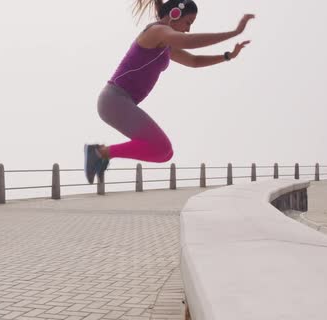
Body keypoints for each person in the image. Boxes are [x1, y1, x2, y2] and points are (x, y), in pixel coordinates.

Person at [84, 0, 255, 184]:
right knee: (161, 147)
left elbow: (194, 61)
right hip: (114, 99)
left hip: (120, 102)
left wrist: (227, 56)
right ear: (174, 14)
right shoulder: (156, 32)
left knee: (164, 153)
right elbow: (189, 42)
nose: (188, 29)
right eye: (188, 22)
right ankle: (100, 154)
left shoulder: (165, 45)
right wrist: (234, 32)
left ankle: (102, 154)